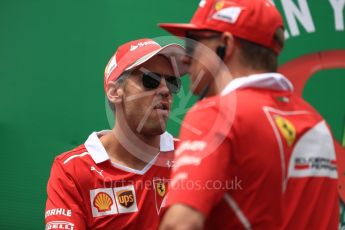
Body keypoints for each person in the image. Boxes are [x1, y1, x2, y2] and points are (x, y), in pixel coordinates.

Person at [158, 0, 339, 229]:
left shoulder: (216, 113)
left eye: (193, 45)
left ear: (226, 45)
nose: (185, 58)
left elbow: (180, 225)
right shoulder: (316, 122)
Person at [45, 38, 187, 229]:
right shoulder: (73, 170)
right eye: (151, 80)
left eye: (172, 83)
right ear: (114, 92)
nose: (165, 90)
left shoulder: (191, 158)